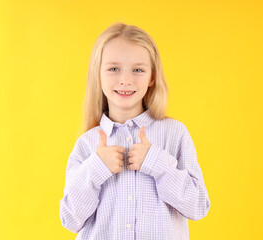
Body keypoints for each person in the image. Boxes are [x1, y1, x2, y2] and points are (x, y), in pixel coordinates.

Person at [59, 22, 211, 239]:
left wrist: (157, 164)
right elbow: (70, 219)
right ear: (98, 74)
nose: (126, 80)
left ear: (151, 77)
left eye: (138, 70)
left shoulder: (175, 134)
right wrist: (96, 168)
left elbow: (197, 207)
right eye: (113, 69)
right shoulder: (87, 144)